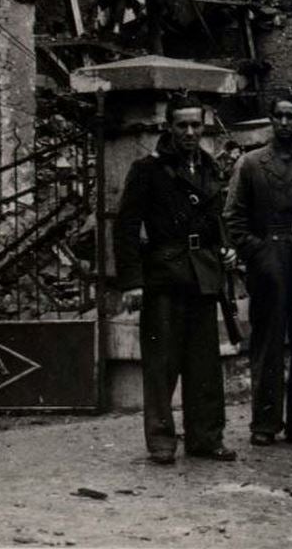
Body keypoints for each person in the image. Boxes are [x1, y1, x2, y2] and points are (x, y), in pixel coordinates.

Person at [114, 93, 238, 465]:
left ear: (204, 127)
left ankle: (205, 438)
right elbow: (126, 227)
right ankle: (162, 441)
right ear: (169, 126)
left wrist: (226, 248)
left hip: (203, 274)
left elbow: (217, 218)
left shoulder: (210, 167)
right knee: (162, 362)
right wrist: (132, 282)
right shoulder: (147, 169)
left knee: (204, 364)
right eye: (181, 125)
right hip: (164, 275)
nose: (189, 132)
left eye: (195, 125)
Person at [222, 93, 292, 447]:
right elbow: (233, 217)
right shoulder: (251, 164)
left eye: (291, 117)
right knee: (267, 342)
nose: (284, 123)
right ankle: (264, 423)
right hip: (268, 259)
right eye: (278, 116)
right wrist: (257, 252)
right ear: (271, 120)